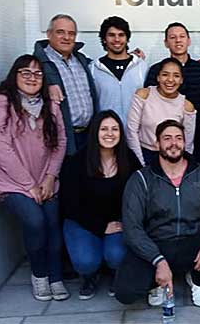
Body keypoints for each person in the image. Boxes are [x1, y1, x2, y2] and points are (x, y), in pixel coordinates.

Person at [114, 120, 200, 307]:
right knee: (125, 292)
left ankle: (198, 277)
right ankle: (157, 282)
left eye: (178, 138)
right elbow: (132, 228)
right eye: (167, 138)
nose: (173, 143)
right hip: (156, 244)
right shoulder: (141, 179)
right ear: (157, 144)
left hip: (194, 241)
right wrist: (157, 260)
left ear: (184, 142)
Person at [0, 54, 68, 301]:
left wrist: (50, 177)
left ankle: (56, 277)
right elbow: (1, 148)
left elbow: (60, 142)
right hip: (9, 180)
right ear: (14, 75)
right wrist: (28, 185)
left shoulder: (50, 105)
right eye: (26, 73)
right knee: (35, 221)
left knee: (52, 222)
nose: (32, 78)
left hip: (44, 177)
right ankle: (39, 275)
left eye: (38, 74)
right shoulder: (1, 103)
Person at [60, 110, 142, 300]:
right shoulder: (77, 162)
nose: (109, 134)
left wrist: (127, 222)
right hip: (83, 221)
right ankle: (90, 275)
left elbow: (139, 194)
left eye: (114, 129)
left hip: (117, 222)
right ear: (95, 132)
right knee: (86, 261)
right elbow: (70, 205)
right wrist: (101, 227)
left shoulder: (128, 159)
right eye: (104, 129)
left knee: (117, 256)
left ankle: (116, 273)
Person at [144, 22, 200, 164]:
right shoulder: (156, 70)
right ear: (166, 43)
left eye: (182, 36)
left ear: (188, 41)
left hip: (199, 139)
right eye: (172, 37)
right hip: (164, 141)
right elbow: (149, 105)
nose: (178, 40)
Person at [33, 14, 97, 155]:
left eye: (71, 33)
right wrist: (48, 83)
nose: (67, 37)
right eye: (60, 32)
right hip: (60, 137)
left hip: (88, 135)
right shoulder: (38, 63)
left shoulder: (81, 60)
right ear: (49, 34)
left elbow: (104, 66)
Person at [128, 57, 196, 166]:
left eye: (176, 76)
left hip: (173, 157)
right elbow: (131, 131)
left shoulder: (186, 106)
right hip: (144, 154)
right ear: (158, 77)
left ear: (182, 80)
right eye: (165, 74)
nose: (170, 80)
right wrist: (141, 162)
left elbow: (187, 143)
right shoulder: (144, 95)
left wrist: (181, 165)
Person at [90, 16, 149, 126]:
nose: (117, 39)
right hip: (108, 135)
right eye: (111, 35)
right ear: (104, 39)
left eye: (121, 35)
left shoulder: (142, 67)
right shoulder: (93, 68)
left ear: (127, 38)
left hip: (137, 135)